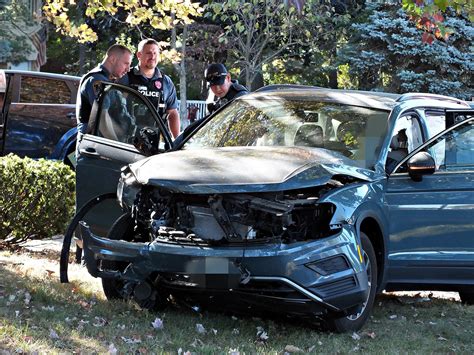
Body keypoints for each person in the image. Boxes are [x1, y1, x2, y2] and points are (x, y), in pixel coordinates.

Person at [121, 38, 180, 139]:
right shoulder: (125, 77)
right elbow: (114, 109)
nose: (152, 56)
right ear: (139, 55)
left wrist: (176, 140)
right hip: (127, 140)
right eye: (148, 53)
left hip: (154, 142)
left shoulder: (166, 82)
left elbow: (173, 113)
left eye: (155, 53)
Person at [76, 44, 133, 141]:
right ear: (112, 59)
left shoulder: (107, 80)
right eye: (126, 64)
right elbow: (102, 119)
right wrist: (118, 146)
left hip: (102, 146)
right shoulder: (96, 80)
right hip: (96, 148)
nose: (128, 69)